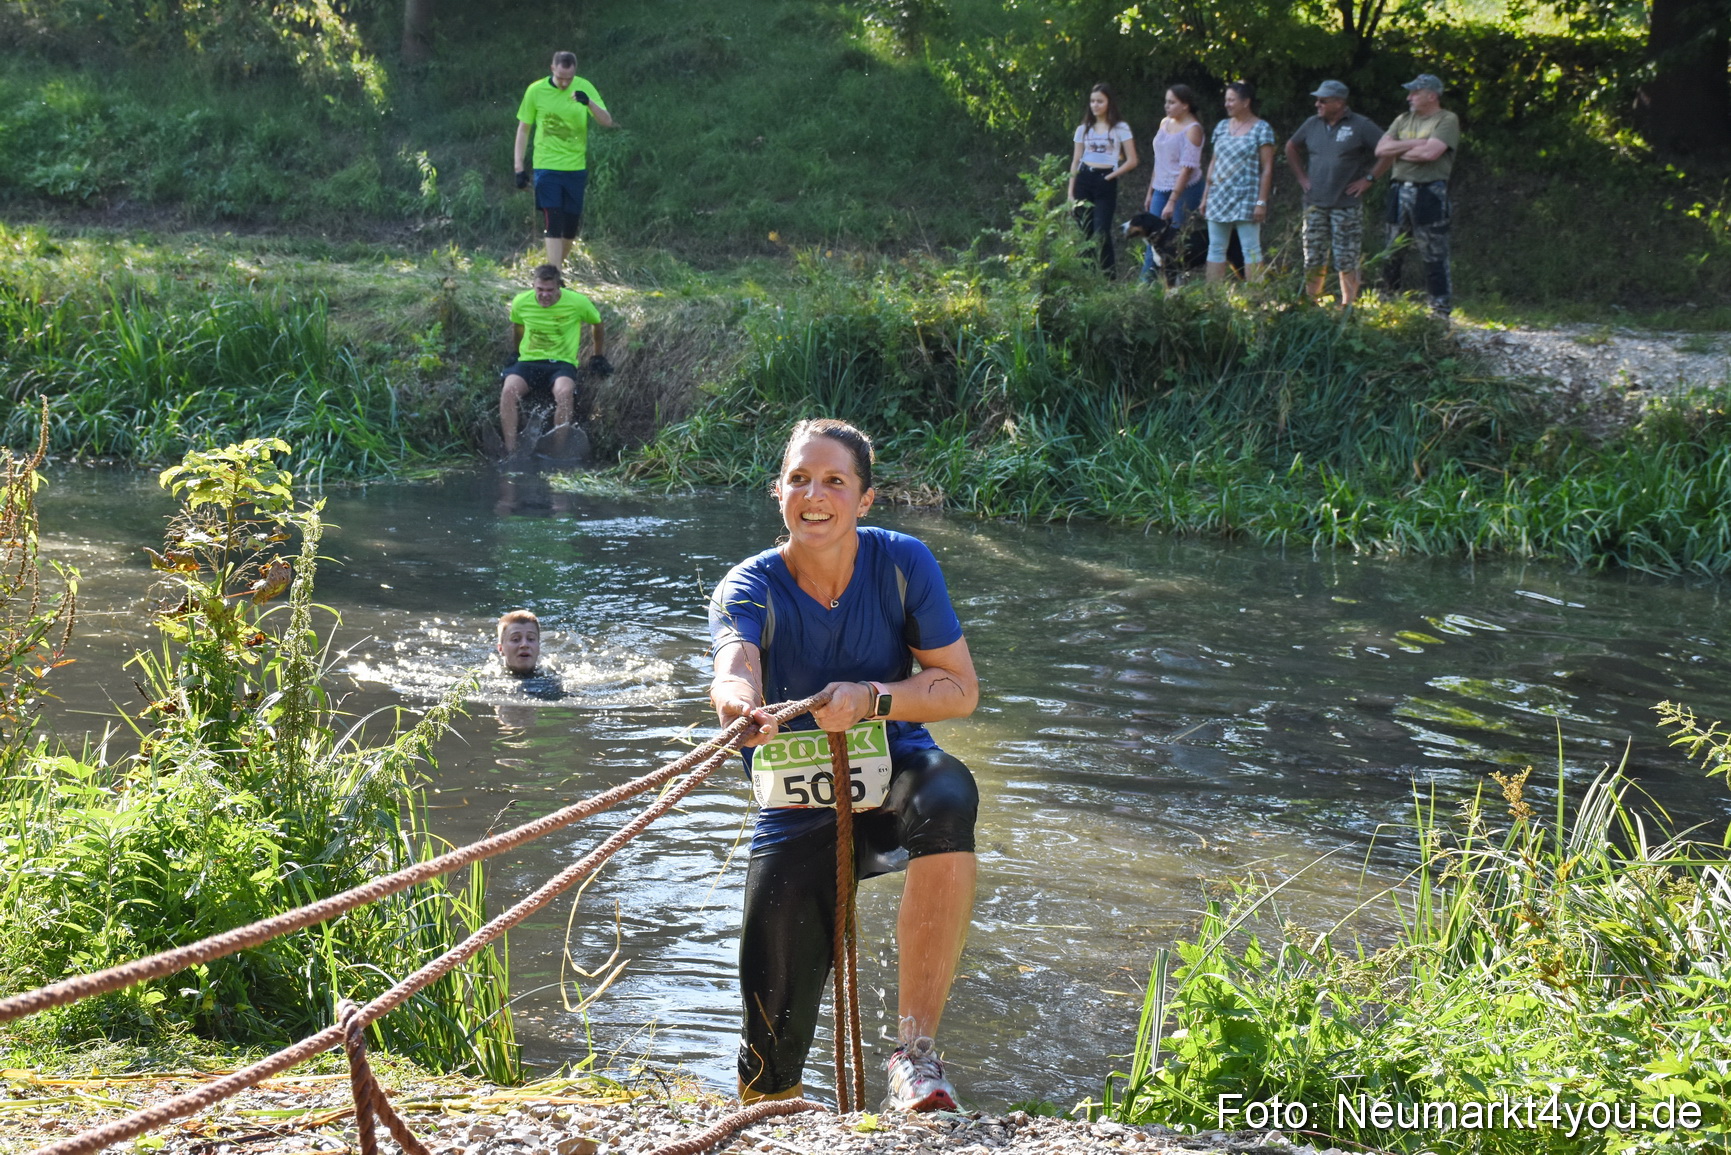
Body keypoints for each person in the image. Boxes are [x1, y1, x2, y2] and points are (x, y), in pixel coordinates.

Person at [708, 419, 981, 1111]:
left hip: (896, 774)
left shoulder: (903, 563)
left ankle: (916, 1056)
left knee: (949, 793)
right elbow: (734, 665)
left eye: (834, 480)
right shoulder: (749, 583)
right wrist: (739, 704)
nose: (814, 494)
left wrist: (871, 698)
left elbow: (959, 689)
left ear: (864, 499)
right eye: (799, 479)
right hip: (795, 801)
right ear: (777, 493)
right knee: (768, 1057)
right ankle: (772, 1118)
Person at [1284, 80, 1390, 306]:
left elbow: (1388, 151)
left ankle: (1348, 307)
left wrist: (1369, 179)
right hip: (1314, 203)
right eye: (1317, 100)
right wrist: (1302, 177)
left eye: (1323, 101)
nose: (1317, 104)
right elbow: (1291, 147)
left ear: (1340, 102)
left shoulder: (1361, 125)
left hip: (1346, 204)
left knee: (1347, 258)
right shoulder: (1312, 123)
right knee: (1313, 256)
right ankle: (1311, 304)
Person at [513, 50, 617, 268]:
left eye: (569, 79)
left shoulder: (584, 87)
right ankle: (555, 276)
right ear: (552, 69)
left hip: (575, 167)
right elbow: (524, 129)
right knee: (553, 220)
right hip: (546, 166)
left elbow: (607, 121)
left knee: (570, 228)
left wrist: (589, 103)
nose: (564, 83)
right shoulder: (536, 91)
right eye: (560, 78)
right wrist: (519, 167)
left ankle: (551, 273)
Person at [500, 264, 610, 457]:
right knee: (508, 391)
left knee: (565, 392)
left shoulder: (577, 302)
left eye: (550, 290)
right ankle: (511, 451)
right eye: (540, 289)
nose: (544, 295)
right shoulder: (521, 302)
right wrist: (516, 352)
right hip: (529, 361)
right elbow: (518, 327)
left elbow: (597, 323)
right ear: (533, 286)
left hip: (561, 363)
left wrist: (597, 355)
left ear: (559, 286)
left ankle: (557, 450)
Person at [1374, 73, 1461, 317]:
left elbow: (1430, 154)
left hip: (1429, 192)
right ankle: (1387, 304)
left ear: (1431, 96)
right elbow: (1381, 149)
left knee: (1433, 252)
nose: (1409, 97)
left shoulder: (1446, 119)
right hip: (1399, 189)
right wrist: (1417, 144)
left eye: (1415, 93)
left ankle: (1439, 310)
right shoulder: (1402, 119)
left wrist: (1398, 150)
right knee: (1391, 251)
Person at [1198, 81, 1275, 283]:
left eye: (1231, 100)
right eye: (1226, 100)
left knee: (1251, 248)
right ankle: (1213, 296)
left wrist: (1261, 202)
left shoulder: (1262, 129)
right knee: (1215, 247)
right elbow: (1214, 163)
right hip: (1218, 196)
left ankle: (1255, 294)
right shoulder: (1221, 127)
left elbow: (1267, 168)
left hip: (1246, 197)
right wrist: (1206, 196)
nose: (1227, 104)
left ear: (1246, 102)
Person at [1068, 83, 1139, 274]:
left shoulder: (1120, 128)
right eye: (1092, 101)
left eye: (1100, 101)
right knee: (1085, 231)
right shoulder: (1083, 129)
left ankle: (1109, 276)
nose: (1095, 105)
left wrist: (1110, 176)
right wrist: (1070, 193)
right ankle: (1088, 275)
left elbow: (1132, 160)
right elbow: (1075, 160)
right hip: (1084, 179)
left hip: (1105, 180)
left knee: (1101, 230)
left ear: (1109, 103)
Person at [1141, 84, 1205, 283]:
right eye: (1166, 102)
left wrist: (1172, 201)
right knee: (1152, 238)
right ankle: (1146, 286)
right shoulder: (1165, 123)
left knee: (1172, 241)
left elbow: (1187, 168)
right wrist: (1150, 192)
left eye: (1172, 102)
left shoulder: (1193, 130)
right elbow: (1159, 161)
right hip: (1161, 187)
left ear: (1185, 105)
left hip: (1185, 189)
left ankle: (1175, 286)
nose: (1166, 106)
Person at [497, 609, 542, 674]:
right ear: (501, 648)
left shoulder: (554, 675)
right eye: (515, 639)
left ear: (539, 647)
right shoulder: (487, 677)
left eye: (531, 639)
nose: (524, 644)